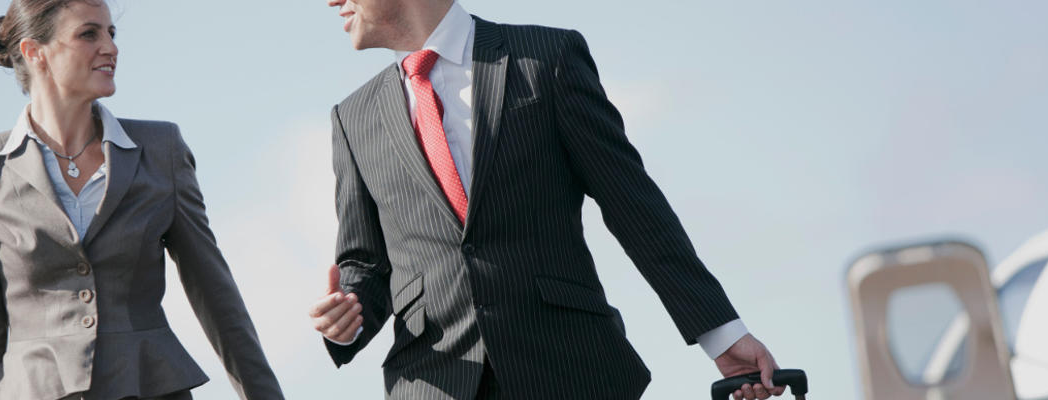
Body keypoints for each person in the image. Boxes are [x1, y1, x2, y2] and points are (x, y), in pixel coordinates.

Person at [307, 1, 786, 399]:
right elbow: (366, 265)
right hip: (433, 384)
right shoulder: (353, 119)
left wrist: (721, 333)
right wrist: (348, 315)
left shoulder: (547, 58)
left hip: (570, 372)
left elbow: (636, 208)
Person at [0, 1, 282, 399]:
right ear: (34, 52)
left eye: (111, 33)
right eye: (89, 34)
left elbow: (217, 297)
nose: (110, 47)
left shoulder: (162, 150)